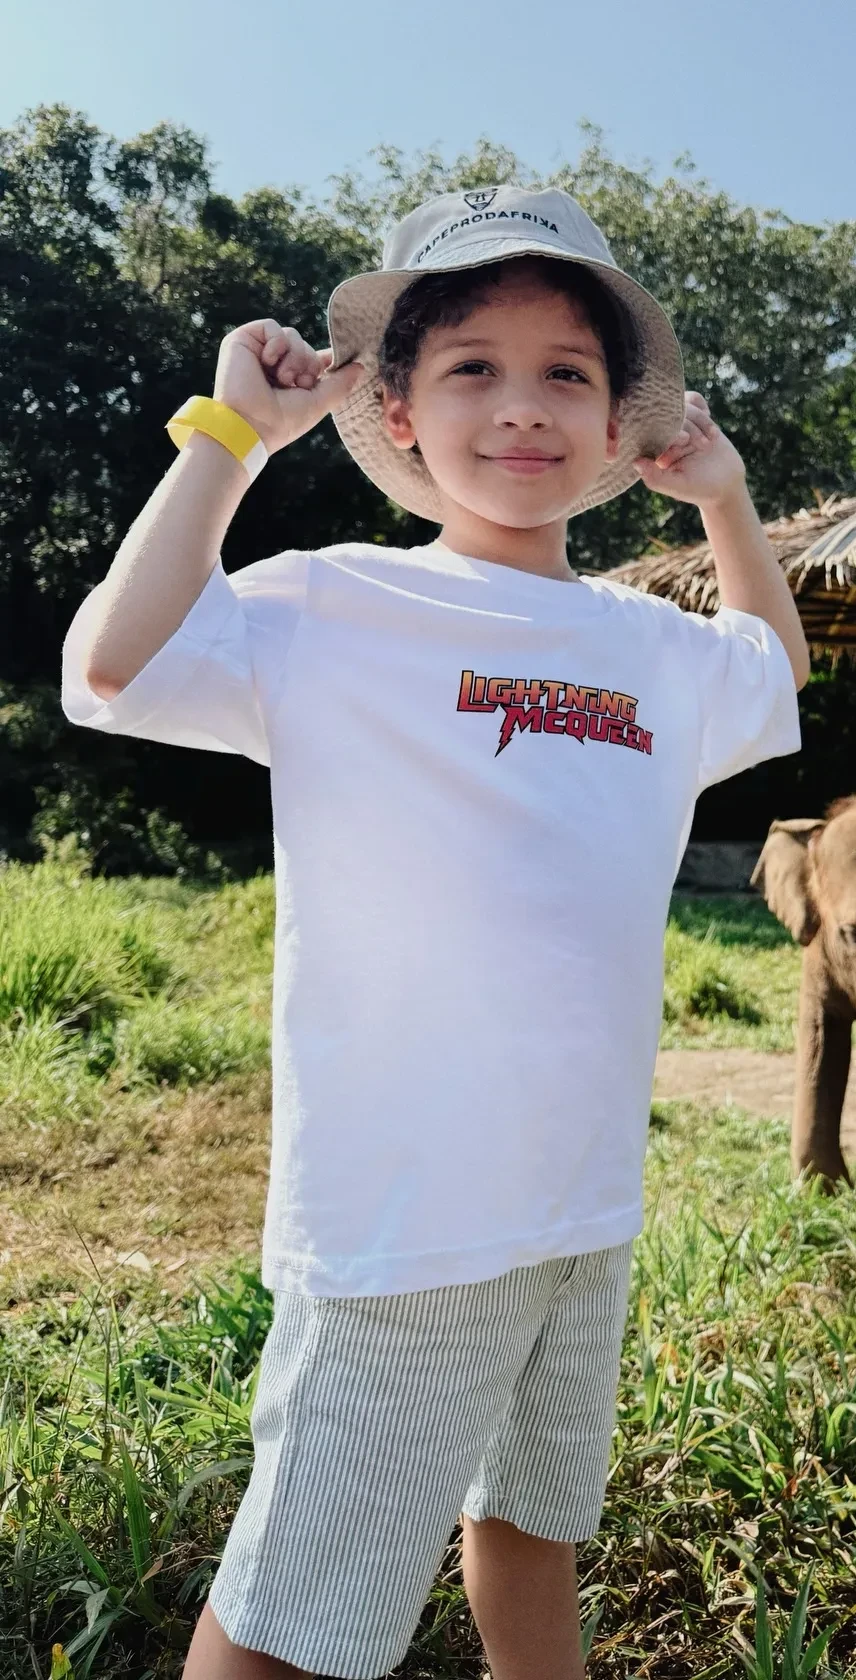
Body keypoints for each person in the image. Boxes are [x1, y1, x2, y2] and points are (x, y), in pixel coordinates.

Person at [61, 186, 808, 1680]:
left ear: (618, 429)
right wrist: (230, 439)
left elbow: (771, 672)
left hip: (580, 1200)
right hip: (407, 1214)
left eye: (566, 375)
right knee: (292, 1618)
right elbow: (112, 667)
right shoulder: (335, 606)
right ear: (396, 412)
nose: (522, 407)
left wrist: (725, 501)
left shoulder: (653, 648)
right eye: (473, 368)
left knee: (533, 1524)